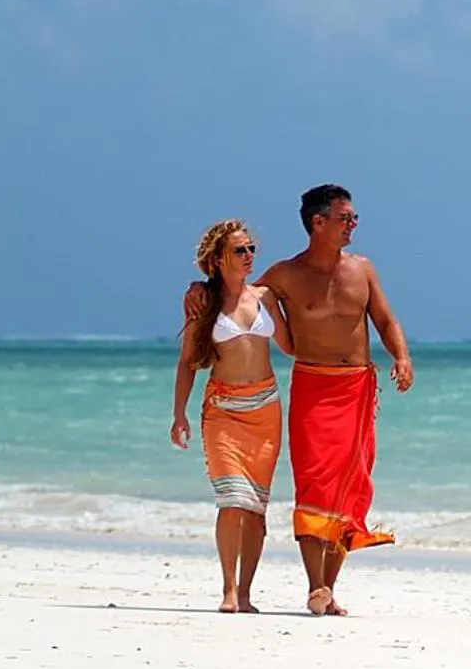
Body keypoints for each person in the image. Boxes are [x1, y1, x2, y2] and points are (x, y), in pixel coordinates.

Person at [185, 183, 414, 616]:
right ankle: (314, 585)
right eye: (346, 218)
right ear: (318, 222)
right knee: (314, 481)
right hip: (312, 384)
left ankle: (328, 587)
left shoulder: (362, 269)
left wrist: (401, 356)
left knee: (349, 487)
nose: (353, 225)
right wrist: (200, 287)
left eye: (354, 218)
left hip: (358, 388)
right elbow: (237, 291)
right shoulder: (285, 275)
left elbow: (384, 318)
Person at [171, 219, 291, 613]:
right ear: (219, 259)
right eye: (240, 250)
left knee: (256, 508)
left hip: (266, 410)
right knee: (231, 500)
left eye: (251, 248)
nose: (249, 256)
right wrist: (179, 415)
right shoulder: (202, 302)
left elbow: (292, 345)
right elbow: (188, 362)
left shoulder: (265, 297)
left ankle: (245, 593)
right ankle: (226, 589)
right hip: (223, 410)